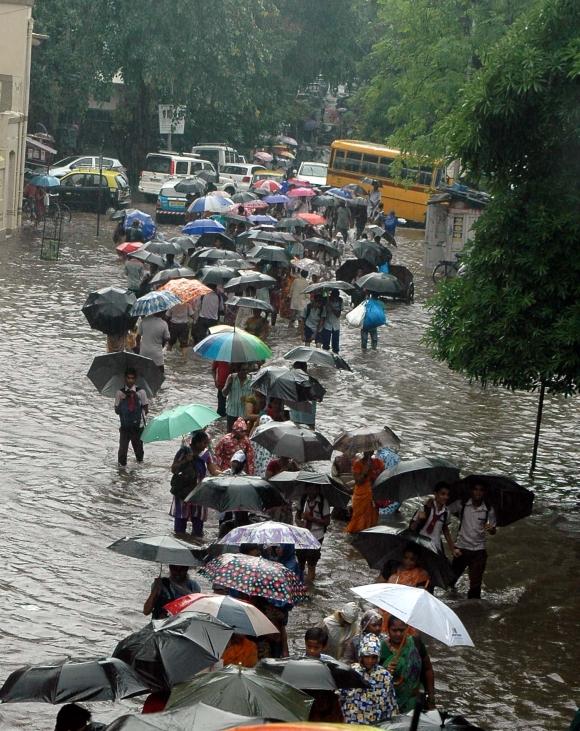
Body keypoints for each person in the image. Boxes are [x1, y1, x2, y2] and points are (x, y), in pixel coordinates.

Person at [449, 481, 497, 599]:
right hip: (461, 548)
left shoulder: (489, 509)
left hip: (478, 551)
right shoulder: (462, 504)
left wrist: (491, 529)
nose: (478, 492)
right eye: (475, 489)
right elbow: (445, 510)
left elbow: (493, 529)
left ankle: (473, 609)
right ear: (471, 491)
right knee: (450, 580)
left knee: (475, 586)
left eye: (481, 490)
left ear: (484, 492)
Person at [380, 616, 436, 713]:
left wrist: (430, 697)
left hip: (414, 699)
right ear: (388, 629)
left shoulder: (415, 643)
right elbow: (374, 677)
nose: (398, 634)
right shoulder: (381, 648)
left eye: (402, 630)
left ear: (407, 629)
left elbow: (427, 669)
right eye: (394, 630)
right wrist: (386, 671)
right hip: (390, 701)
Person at [339, 634, 398, 724]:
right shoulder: (351, 673)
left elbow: (391, 705)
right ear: (361, 655)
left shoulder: (385, 676)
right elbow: (340, 699)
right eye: (367, 656)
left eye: (374, 657)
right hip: (352, 725)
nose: (370, 661)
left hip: (375, 725)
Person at [170, 430, 219, 536]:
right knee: (180, 524)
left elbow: (213, 470)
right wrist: (185, 460)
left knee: (198, 524)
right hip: (183, 490)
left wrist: (226, 475)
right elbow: (173, 469)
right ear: (197, 443)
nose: (206, 445)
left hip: (199, 491)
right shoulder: (183, 451)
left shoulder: (205, 453)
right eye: (204, 443)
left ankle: (196, 545)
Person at [410, 481, 457, 556]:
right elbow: (412, 528)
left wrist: (452, 549)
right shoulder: (425, 508)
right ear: (435, 494)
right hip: (420, 544)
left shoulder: (446, 512)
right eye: (443, 494)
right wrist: (418, 519)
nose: (446, 497)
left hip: (435, 546)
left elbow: (445, 530)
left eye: (448, 495)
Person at [114, 367, 148, 468]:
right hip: (125, 427)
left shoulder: (141, 392)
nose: (130, 380)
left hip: (137, 428)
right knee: (122, 453)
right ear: (125, 378)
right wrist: (122, 402)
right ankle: (121, 472)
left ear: (135, 379)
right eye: (128, 378)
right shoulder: (119, 393)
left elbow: (146, 409)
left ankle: (138, 474)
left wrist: (137, 401)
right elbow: (116, 411)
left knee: (139, 453)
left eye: (132, 378)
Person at [295, 484, 331, 581]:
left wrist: (312, 519)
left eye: (314, 489)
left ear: (318, 490)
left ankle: (310, 584)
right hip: (303, 534)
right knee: (300, 558)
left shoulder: (323, 502)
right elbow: (297, 516)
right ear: (306, 489)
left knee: (311, 560)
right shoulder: (302, 499)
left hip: (317, 535)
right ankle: (300, 582)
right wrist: (299, 522)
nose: (311, 492)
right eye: (309, 489)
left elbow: (327, 522)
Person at [345, 451, 384, 533]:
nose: (369, 451)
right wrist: (365, 471)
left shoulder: (378, 462)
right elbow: (358, 481)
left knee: (372, 519)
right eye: (367, 450)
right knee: (358, 518)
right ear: (364, 451)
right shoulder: (357, 464)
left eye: (371, 449)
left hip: (374, 495)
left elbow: (382, 477)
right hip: (361, 496)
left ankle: (369, 535)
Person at [223, 364, 253, 432]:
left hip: (244, 413)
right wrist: (229, 385)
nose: (245, 372)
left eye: (246, 370)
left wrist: (247, 399)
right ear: (238, 370)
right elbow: (224, 394)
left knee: (242, 435)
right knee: (230, 434)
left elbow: (253, 398)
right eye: (243, 370)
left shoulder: (251, 379)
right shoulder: (231, 377)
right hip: (232, 412)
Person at [319, 289, 342, 354]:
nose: (334, 298)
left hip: (336, 326)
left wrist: (331, 307)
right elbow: (323, 315)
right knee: (325, 345)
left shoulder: (340, 301)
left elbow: (338, 315)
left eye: (336, 296)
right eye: (333, 296)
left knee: (335, 347)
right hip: (327, 325)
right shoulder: (326, 302)